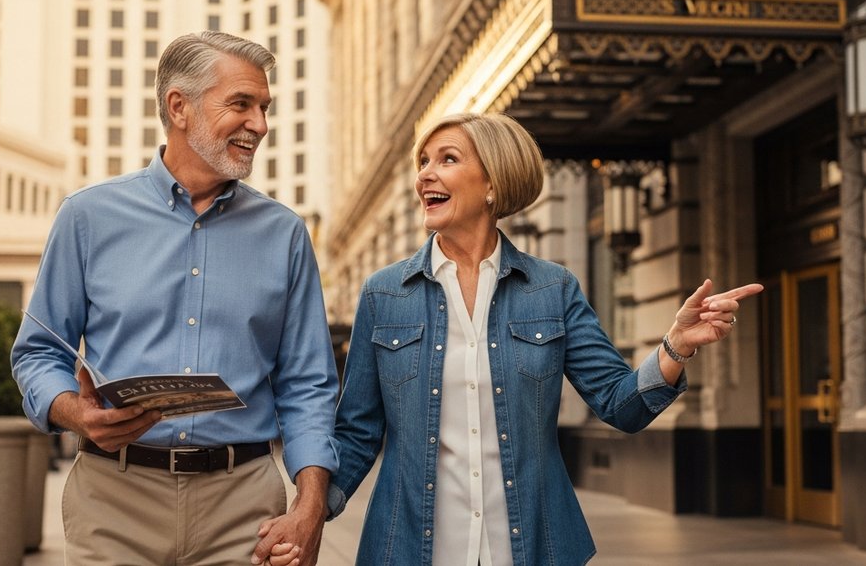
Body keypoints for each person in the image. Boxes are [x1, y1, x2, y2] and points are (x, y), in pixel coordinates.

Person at [256, 112, 761, 566]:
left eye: (447, 159)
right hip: (409, 548)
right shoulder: (385, 293)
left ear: (493, 184)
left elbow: (619, 405)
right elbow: (358, 431)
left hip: (534, 546)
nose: (424, 174)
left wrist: (676, 344)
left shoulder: (552, 288)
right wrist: (308, 512)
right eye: (423, 161)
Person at [12, 31, 337, 566]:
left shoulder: (285, 234)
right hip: (112, 503)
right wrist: (76, 413)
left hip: (244, 507)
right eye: (241, 104)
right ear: (179, 107)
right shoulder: (87, 217)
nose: (260, 124)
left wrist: (310, 505)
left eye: (264, 108)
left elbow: (308, 384)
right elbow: (37, 353)